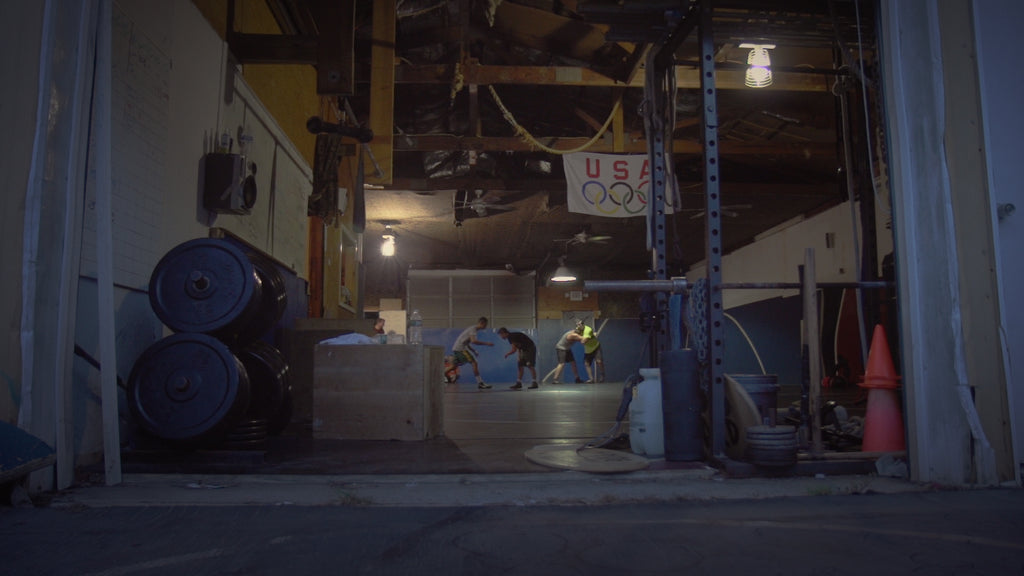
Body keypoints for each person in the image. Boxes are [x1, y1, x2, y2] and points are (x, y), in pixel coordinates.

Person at [446, 317, 494, 389]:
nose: (486, 327)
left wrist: (474, 351)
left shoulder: (472, 329)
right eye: (486, 325)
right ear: (482, 323)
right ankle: (480, 383)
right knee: (474, 362)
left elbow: (467, 343)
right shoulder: (473, 329)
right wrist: (487, 343)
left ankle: (441, 375)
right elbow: (473, 341)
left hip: (457, 348)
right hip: (460, 349)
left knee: (454, 366)